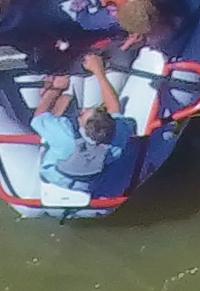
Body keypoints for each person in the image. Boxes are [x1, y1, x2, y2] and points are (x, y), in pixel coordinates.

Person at [29, 53, 134, 196]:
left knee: (53, 116)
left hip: (57, 177)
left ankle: (60, 95)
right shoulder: (118, 134)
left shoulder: (65, 132)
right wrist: (99, 72)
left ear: (81, 126)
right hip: (91, 182)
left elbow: (37, 118)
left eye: (82, 114)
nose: (83, 110)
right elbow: (114, 108)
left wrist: (55, 90)